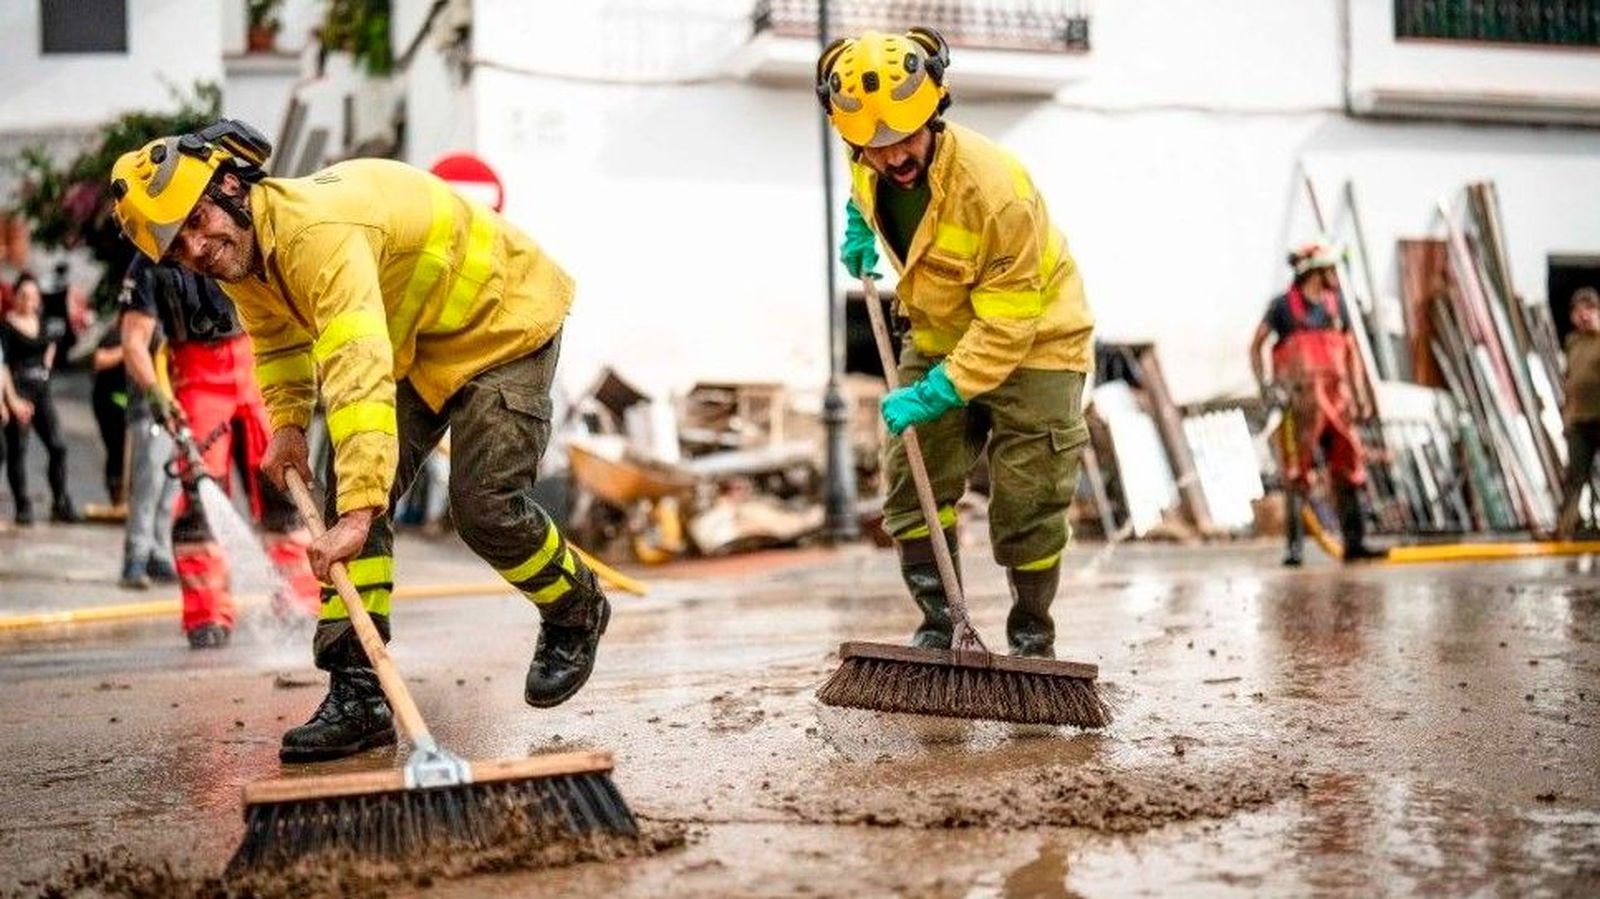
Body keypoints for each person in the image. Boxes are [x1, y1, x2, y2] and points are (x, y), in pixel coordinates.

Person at [111, 120, 611, 762]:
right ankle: (359, 693)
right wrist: (288, 425)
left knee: (480, 506)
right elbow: (278, 341)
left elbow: (356, 366)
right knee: (349, 490)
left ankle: (574, 608)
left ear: (230, 184)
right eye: (178, 246)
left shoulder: (314, 234)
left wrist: (360, 510)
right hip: (418, 343)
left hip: (500, 325)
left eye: (198, 220)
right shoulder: (243, 257)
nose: (197, 248)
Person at [818, 29, 1095, 658]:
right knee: (912, 485)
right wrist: (861, 221)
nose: (892, 156)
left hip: (1038, 344)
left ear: (935, 110)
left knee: (1028, 500)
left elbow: (1006, 327)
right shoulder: (865, 150)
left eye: (905, 137)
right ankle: (943, 628)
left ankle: (1031, 636)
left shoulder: (997, 191)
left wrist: (937, 392)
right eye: (874, 145)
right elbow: (867, 180)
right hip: (938, 332)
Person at [117, 254, 319, 642]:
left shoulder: (223, 234)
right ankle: (205, 614)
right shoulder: (147, 266)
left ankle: (301, 602)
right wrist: (157, 395)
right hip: (198, 379)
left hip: (254, 367)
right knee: (198, 505)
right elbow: (133, 341)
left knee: (285, 489)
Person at [1249, 237, 1382, 566]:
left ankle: (1355, 543)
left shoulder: (1338, 306)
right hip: (1300, 404)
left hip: (1337, 402)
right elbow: (1256, 346)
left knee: (1349, 467)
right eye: (1329, 269)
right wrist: (1267, 387)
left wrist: (1361, 394)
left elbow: (1351, 354)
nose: (1335, 275)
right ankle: (1294, 550)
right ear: (1313, 271)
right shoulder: (1283, 307)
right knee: (1297, 473)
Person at [1, 272, 80, 524]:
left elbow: (52, 342)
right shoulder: (6, 326)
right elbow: (1, 366)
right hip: (18, 391)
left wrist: (46, 367)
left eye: (33, 296)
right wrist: (11, 400)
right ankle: (23, 505)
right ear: (16, 297)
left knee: (58, 446)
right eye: (24, 295)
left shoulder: (43, 321)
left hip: (41, 391)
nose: (29, 300)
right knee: (18, 450)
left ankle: (60, 501)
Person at [1557, 287, 1600, 539]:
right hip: (1579, 421)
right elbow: (1569, 382)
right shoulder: (1573, 344)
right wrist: (1567, 417)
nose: (1584, 315)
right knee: (1575, 476)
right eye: (1579, 310)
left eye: (1590, 309)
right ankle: (1567, 528)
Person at [90, 322, 129, 504]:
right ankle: (117, 497)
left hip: (133, 403)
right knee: (116, 450)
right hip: (109, 400)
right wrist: (129, 349)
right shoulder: (114, 334)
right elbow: (99, 360)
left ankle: (131, 497)